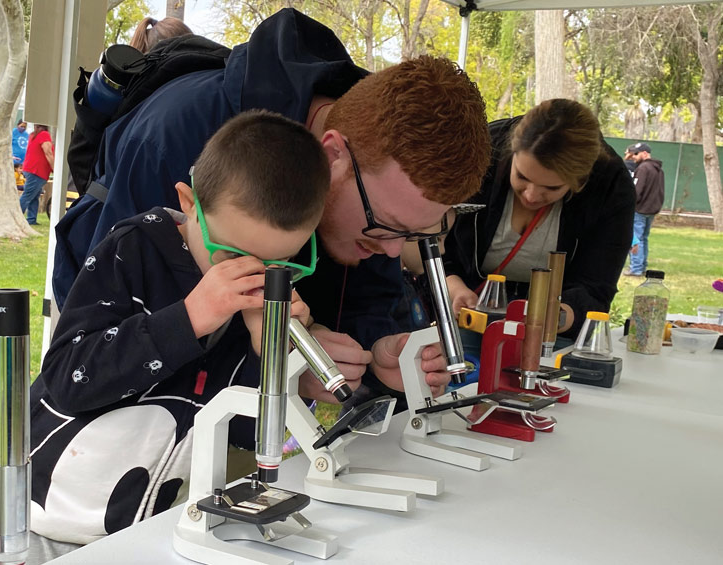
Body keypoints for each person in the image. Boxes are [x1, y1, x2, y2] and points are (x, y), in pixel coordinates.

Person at [54, 9, 492, 405]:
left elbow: (359, 312)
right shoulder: (175, 136)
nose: (394, 253)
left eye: (413, 236)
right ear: (333, 155)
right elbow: (95, 352)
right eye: (385, 228)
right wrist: (271, 350)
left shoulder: (376, 192)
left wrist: (372, 360)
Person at [0, 110, 328, 563]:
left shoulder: (264, 298)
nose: (253, 274)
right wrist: (188, 318)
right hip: (40, 521)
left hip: (151, 532)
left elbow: (247, 434)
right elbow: (67, 377)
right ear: (188, 202)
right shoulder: (134, 250)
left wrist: (268, 355)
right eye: (232, 254)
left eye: (281, 263)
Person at [443, 99, 635, 347]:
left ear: (580, 180)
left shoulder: (611, 187)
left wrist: (557, 317)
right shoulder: (478, 155)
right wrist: (455, 289)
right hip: (470, 314)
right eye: (522, 176)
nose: (531, 196)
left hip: (551, 333)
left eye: (551, 187)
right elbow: (433, 246)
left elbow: (596, 287)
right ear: (510, 153)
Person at [625, 142, 664, 277]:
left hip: (640, 209)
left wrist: (630, 204)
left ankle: (636, 268)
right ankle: (642, 266)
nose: (634, 157)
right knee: (644, 238)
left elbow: (637, 191)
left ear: (645, 153)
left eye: (636, 154)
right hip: (652, 209)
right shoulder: (658, 169)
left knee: (636, 238)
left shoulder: (643, 169)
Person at [20, 124, 54, 225]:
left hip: (30, 169)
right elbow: (48, 152)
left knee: (34, 195)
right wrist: (54, 168)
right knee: (28, 195)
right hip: (37, 171)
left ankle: (31, 219)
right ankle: (17, 216)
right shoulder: (44, 135)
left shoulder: (34, 134)